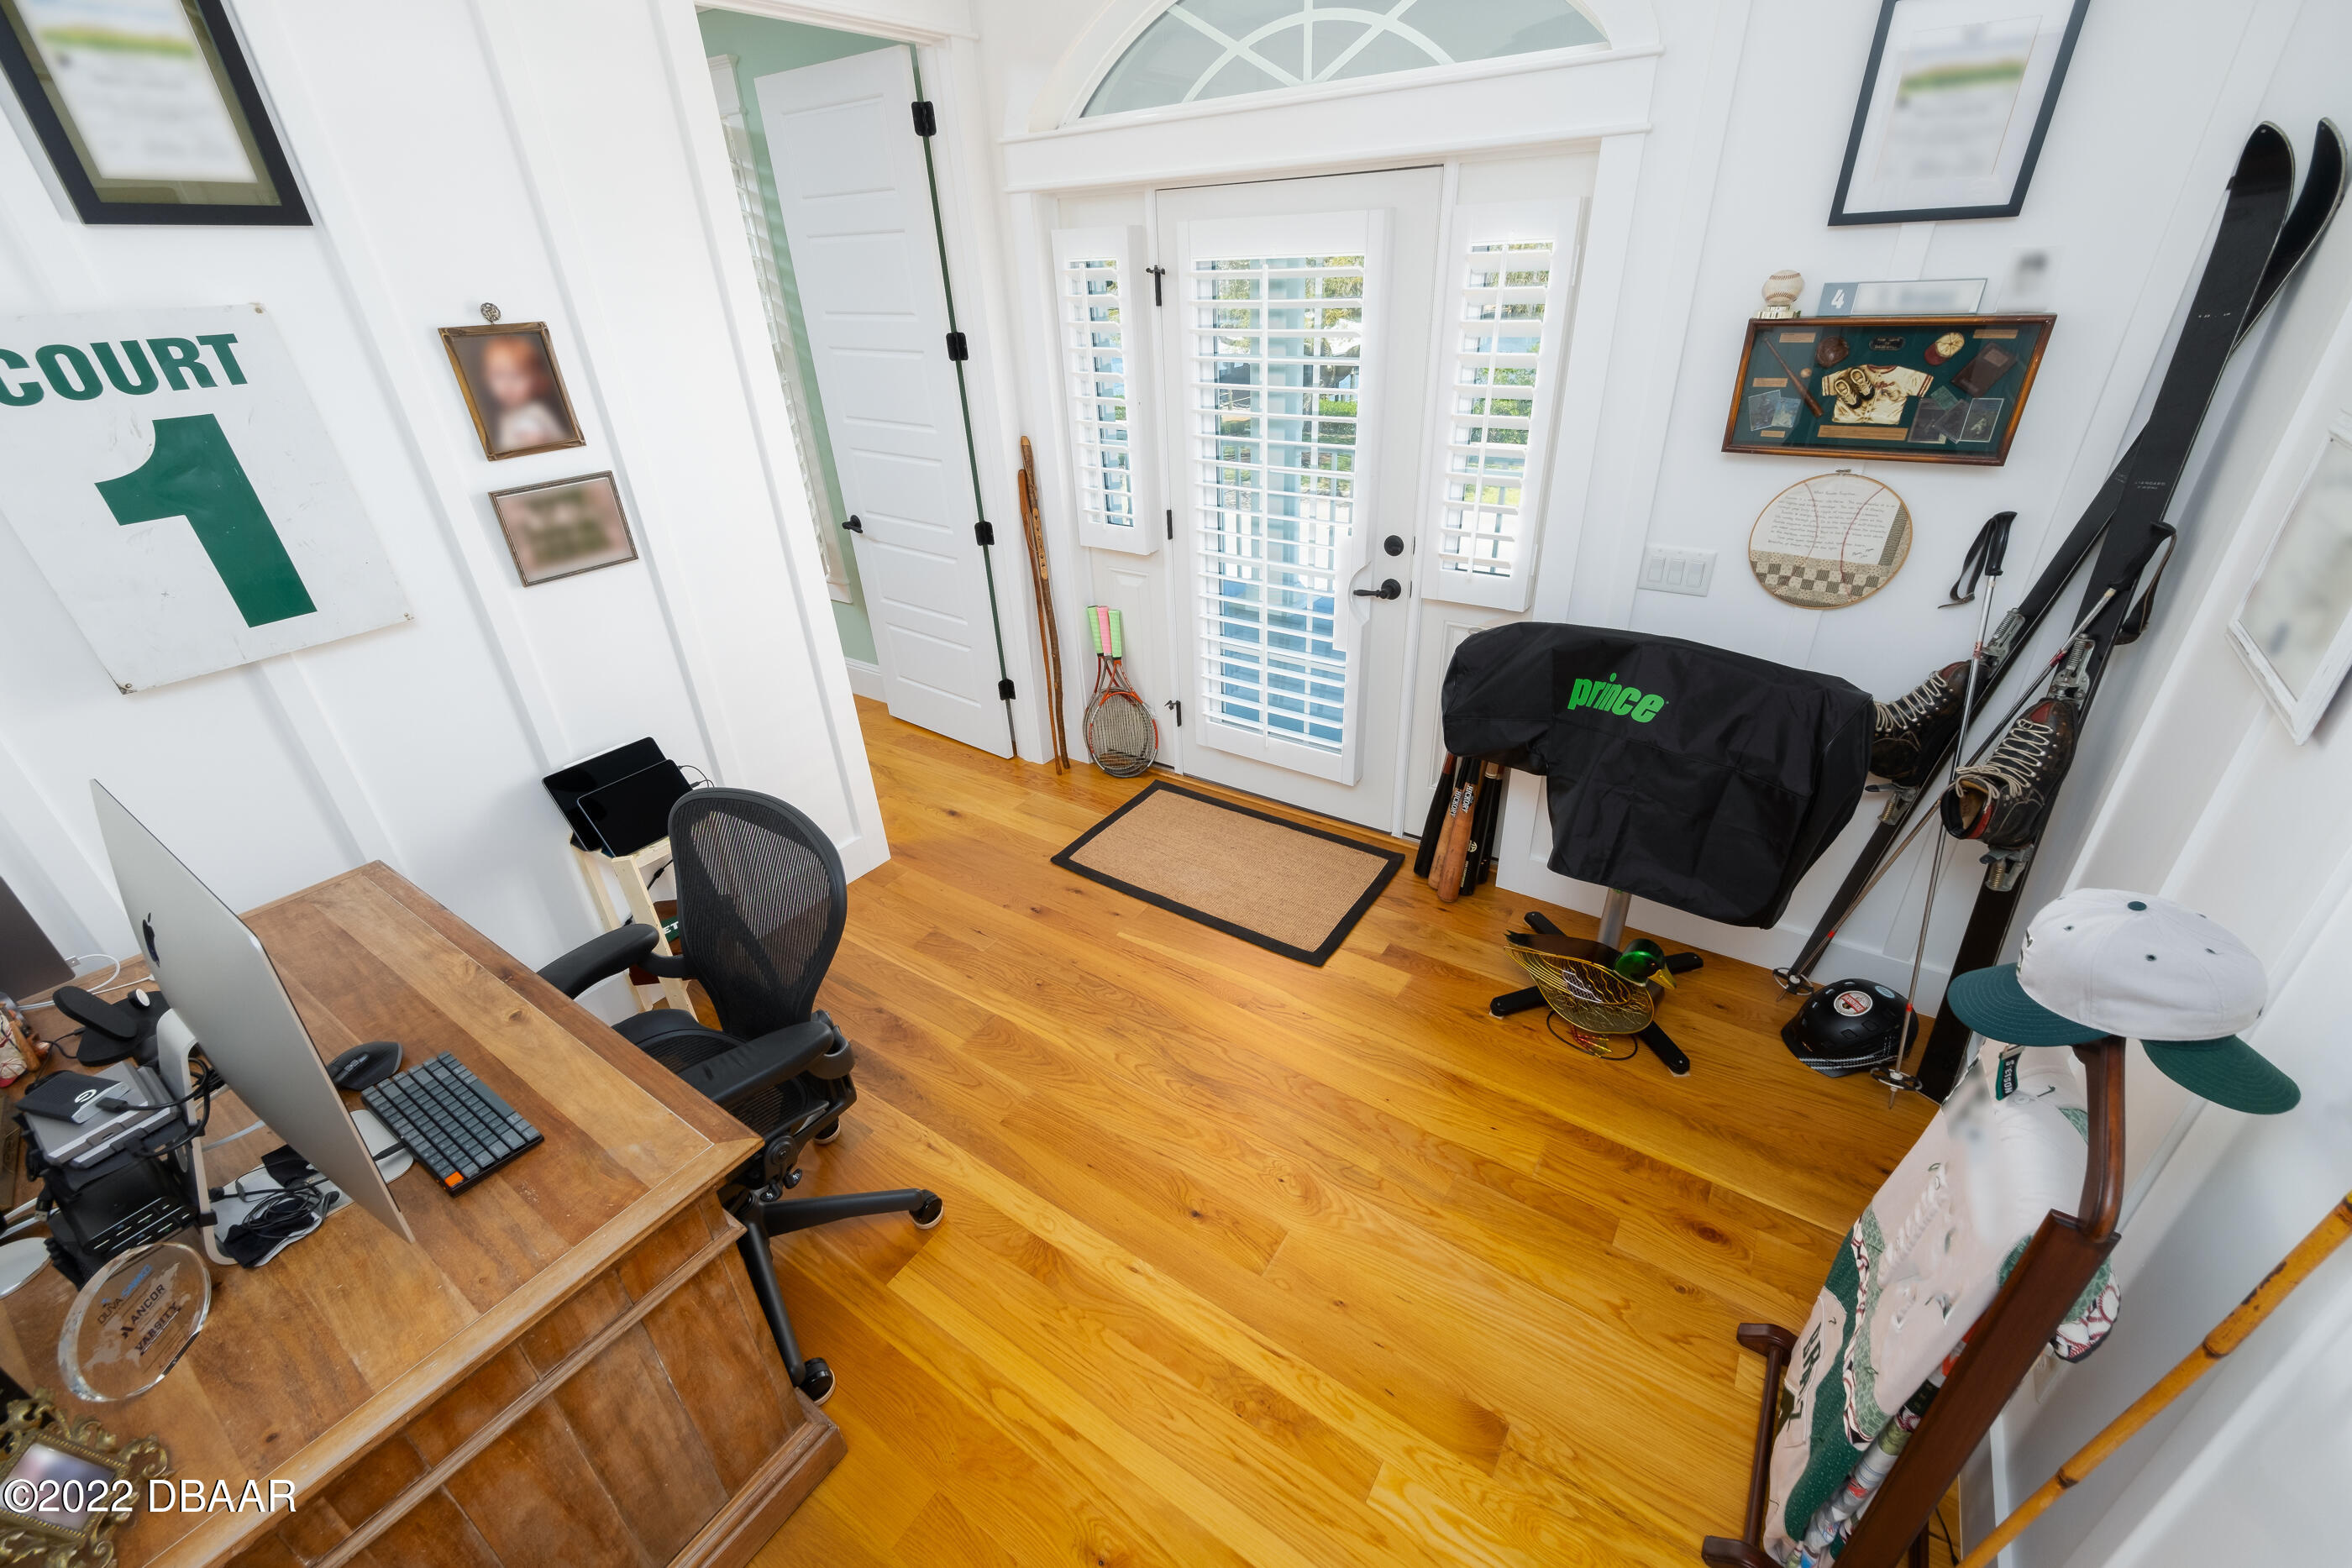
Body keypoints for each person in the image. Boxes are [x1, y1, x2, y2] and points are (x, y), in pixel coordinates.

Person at [477, 334, 571, 454]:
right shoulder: (504, 417)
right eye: (498, 375)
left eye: (517, 375)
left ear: (536, 379)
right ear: (486, 377)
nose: (508, 384)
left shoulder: (536, 412)